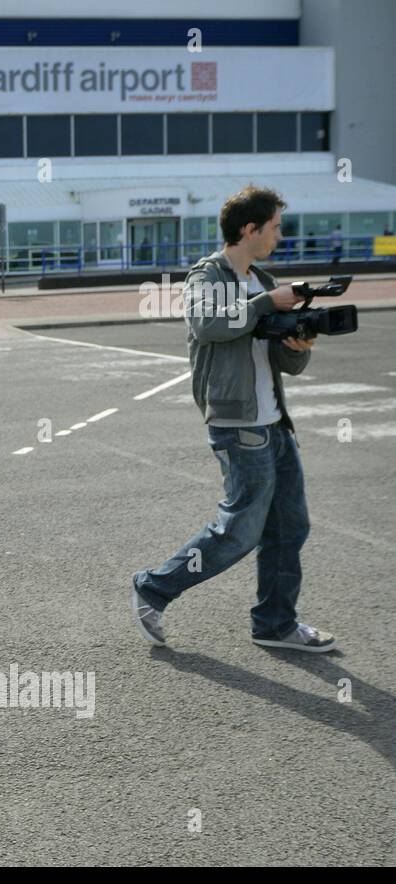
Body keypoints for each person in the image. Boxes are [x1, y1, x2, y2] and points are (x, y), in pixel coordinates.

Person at [132, 186, 334, 653]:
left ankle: (275, 624)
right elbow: (208, 324)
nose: (281, 236)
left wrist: (298, 346)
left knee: (290, 526)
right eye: (276, 227)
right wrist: (268, 305)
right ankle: (153, 588)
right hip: (238, 425)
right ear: (250, 229)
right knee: (240, 530)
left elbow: (281, 362)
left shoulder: (262, 278)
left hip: (274, 423)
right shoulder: (209, 276)